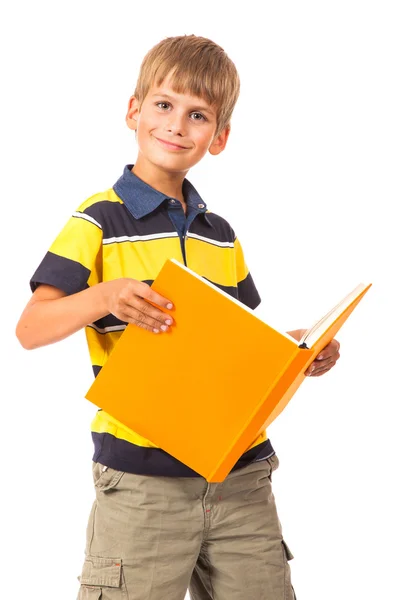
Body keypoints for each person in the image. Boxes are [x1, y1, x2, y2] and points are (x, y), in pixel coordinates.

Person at [16, 34, 340, 600]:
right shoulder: (98, 219)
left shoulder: (222, 235)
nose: (177, 125)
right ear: (134, 111)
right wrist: (103, 297)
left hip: (240, 476)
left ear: (219, 138)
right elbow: (30, 328)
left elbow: (236, 345)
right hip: (143, 483)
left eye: (198, 115)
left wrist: (300, 349)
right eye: (164, 105)